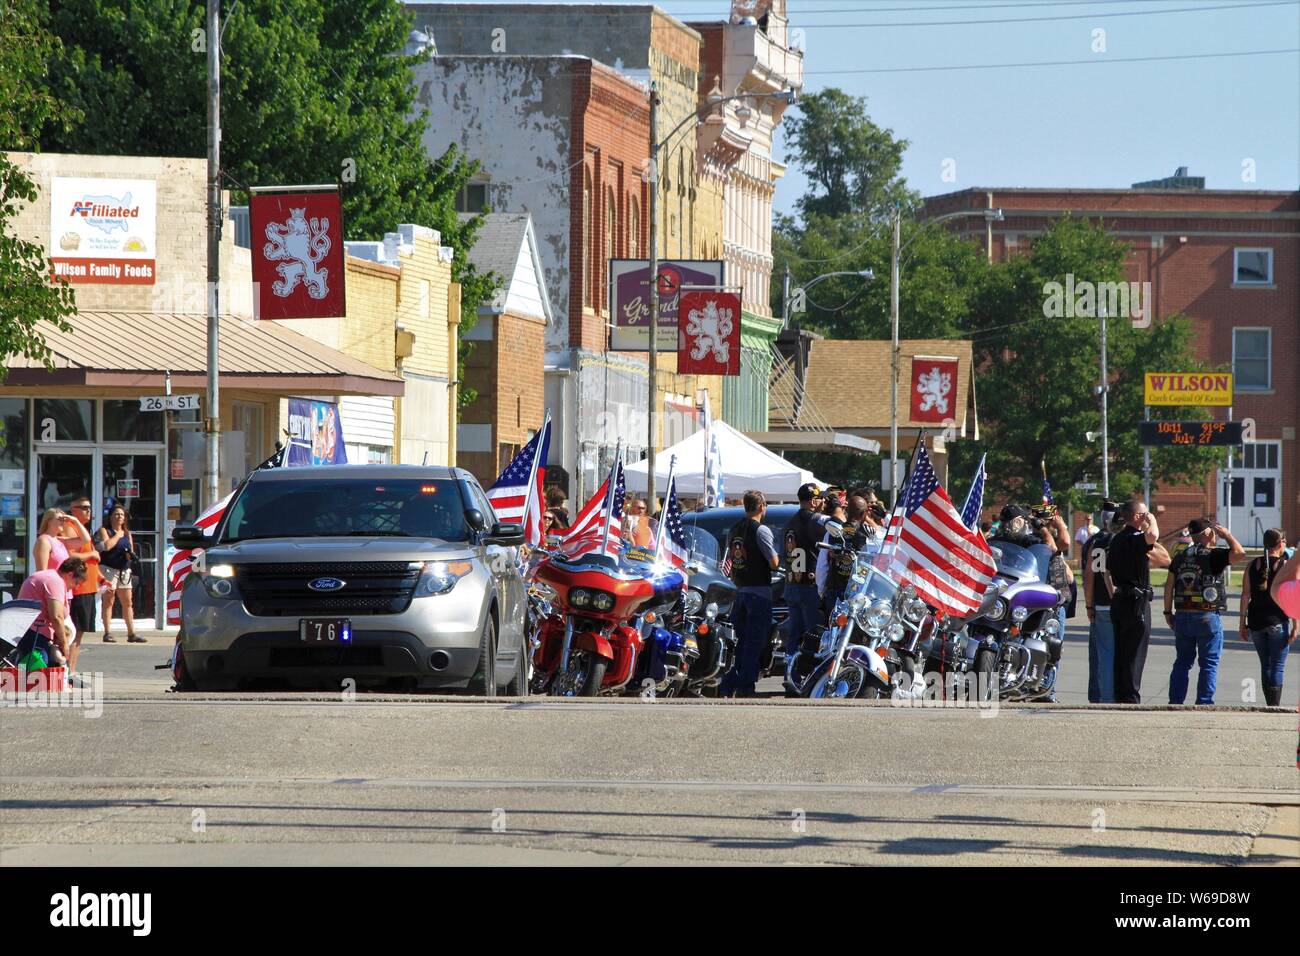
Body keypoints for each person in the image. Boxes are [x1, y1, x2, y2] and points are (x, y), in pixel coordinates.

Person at [1162, 518, 1246, 705]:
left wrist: (1168, 613)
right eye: (1214, 533)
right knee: (1208, 663)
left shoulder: (1180, 557)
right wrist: (1227, 535)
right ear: (1208, 534)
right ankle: (1204, 702)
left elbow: (1169, 586)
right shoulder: (1213, 555)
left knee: (1182, 662)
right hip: (1207, 615)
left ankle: (1175, 701)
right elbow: (1240, 554)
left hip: (1183, 614)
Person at [1105, 499, 1171, 704]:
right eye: (1144, 514)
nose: (1147, 516)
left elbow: (1163, 557)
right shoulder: (1132, 537)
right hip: (1135, 602)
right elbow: (1152, 536)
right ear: (1136, 517)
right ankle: (1130, 698)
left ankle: (1121, 694)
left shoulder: (1117, 539)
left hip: (1120, 599)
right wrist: (1152, 520)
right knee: (1135, 652)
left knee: (1122, 651)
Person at [719, 490, 780, 697]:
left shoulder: (734, 529)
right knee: (755, 641)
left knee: (740, 641)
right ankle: (745, 686)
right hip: (758, 593)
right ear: (762, 506)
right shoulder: (761, 530)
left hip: (739, 591)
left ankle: (728, 683)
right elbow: (774, 563)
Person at [1239, 529, 1295, 707]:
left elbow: (1245, 595)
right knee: (1277, 665)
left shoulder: (1252, 565)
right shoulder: (1285, 566)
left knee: (1266, 665)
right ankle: (1274, 705)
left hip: (1256, 622)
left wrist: (1242, 623)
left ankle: (1269, 704)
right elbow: (1294, 596)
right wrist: (1296, 625)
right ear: (1280, 543)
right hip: (1277, 621)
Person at [781, 483, 833, 658]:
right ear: (813, 501)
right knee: (814, 635)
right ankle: (808, 677)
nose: (823, 502)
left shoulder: (789, 522)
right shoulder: (815, 520)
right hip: (809, 587)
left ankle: (791, 672)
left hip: (791, 585)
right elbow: (838, 525)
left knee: (794, 634)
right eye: (820, 498)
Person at [14, 557, 88, 672]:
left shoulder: (51, 577)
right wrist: (64, 644)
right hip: (33, 634)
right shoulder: (54, 581)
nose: (76, 587)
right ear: (70, 574)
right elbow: (56, 616)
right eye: (76, 582)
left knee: (42, 672)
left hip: (31, 631)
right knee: (39, 673)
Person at [1082, 506, 1122, 703]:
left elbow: (1088, 575)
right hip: (1118, 603)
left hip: (1100, 603)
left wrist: (1089, 604)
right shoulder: (1124, 540)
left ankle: (1102, 696)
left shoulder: (1095, 542)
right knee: (1119, 653)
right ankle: (1116, 695)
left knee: (1102, 654)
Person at [816, 495, 883, 613]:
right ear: (865, 513)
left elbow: (822, 566)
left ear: (846, 510)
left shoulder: (833, 531)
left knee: (832, 628)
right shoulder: (870, 534)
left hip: (835, 591)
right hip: (859, 594)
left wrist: (822, 591)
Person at [96, 505, 144, 643]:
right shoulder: (105, 530)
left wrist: (129, 556)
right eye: (116, 514)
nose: (119, 517)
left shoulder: (127, 533)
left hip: (124, 570)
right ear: (110, 516)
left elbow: (131, 551)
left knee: (128, 602)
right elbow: (107, 546)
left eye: (122, 515)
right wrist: (117, 535)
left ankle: (131, 633)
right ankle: (107, 632)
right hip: (108, 569)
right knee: (108, 601)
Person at [65, 496, 101, 673]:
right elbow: (70, 556)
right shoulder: (70, 528)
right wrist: (92, 555)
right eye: (84, 507)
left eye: (89, 507)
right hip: (78, 589)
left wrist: (100, 577)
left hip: (88, 587)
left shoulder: (83, 530)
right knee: (74, 633)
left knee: (79, 634)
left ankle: (71, 669)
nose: (89, 511)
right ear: (74, 510)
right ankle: (68, 671)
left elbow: (90, 561)